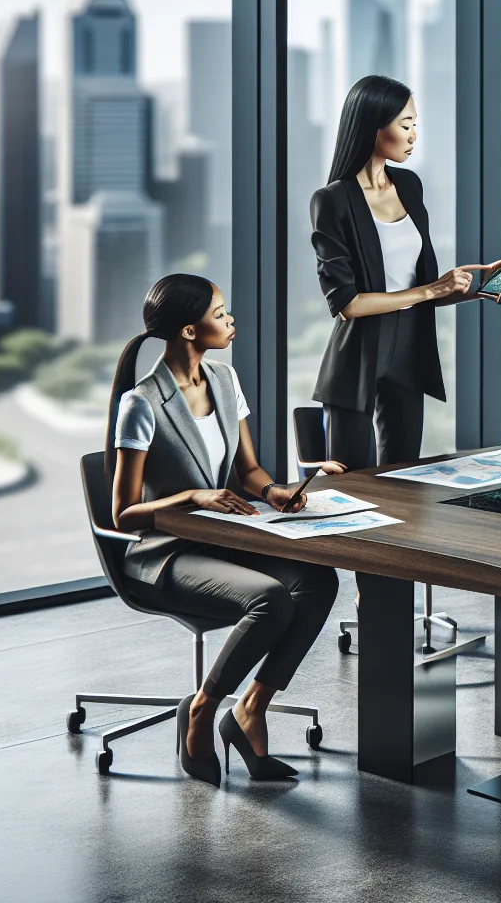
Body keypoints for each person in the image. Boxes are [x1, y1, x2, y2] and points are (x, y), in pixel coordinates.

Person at [106, 274, 345, 786]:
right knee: (271, 599)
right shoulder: (142, 403)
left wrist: (273, 491)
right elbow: (123, 513)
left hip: (225, 540)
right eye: (220, 314)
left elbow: (248, 471)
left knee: (318, 579)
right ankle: (202, 709)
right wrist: (193, 496)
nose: (231, 320)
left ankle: (250, 710)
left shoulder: (224, 379)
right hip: (165, 554)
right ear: (189, 331)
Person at [310, 74, 501, 470]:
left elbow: (421, 288)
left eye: (415, 124)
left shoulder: (409, 185)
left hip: (410, 350)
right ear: (374, 127)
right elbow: (347, 304)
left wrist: (483, 286)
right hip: (358, 356)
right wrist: (430, 290)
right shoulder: (332, 200)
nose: (413, 135)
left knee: (403, 478)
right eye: (405, 125)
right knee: (351, 482)